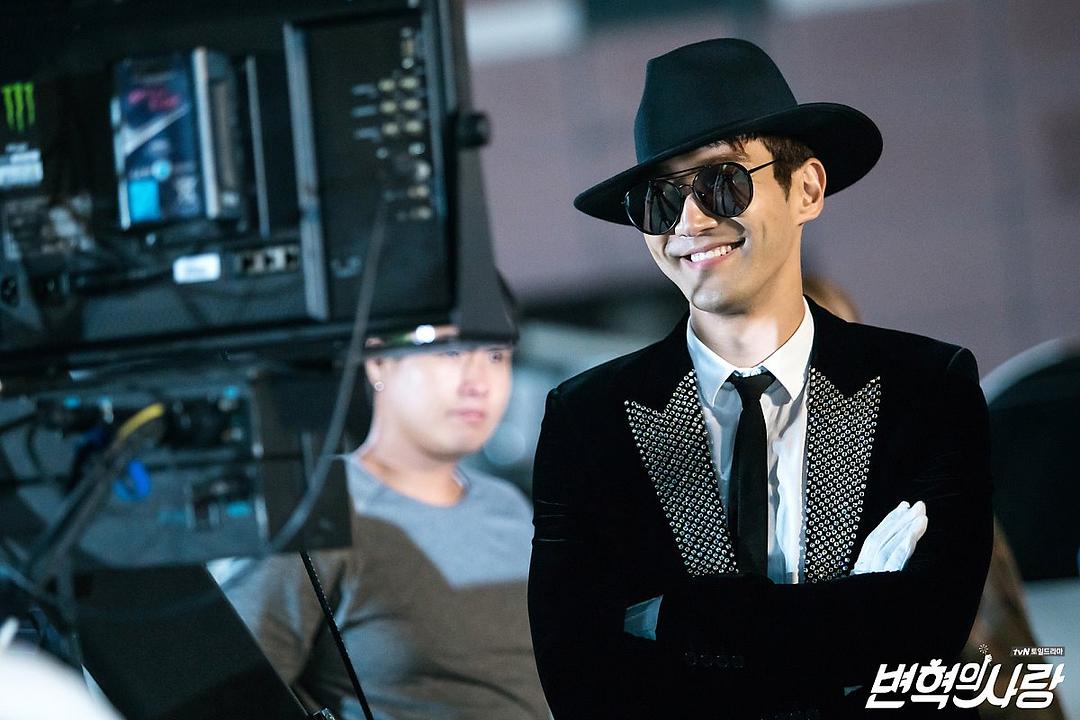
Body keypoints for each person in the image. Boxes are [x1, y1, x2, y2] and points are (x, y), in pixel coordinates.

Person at [528, 38, 992, 719]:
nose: (690, 221)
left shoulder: (926, 389)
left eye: (722, 181)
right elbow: (581, 682)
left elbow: (927, 640)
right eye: (659, 199)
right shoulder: (588, 419)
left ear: (806, 189)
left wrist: (670, 618)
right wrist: (849, 616)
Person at [216, 339, 549, 720]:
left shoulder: (509, 506)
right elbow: (225, 695)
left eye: (496, 356)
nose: (479, 383)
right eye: (451, 351)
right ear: (379, 361)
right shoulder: (317, 505)